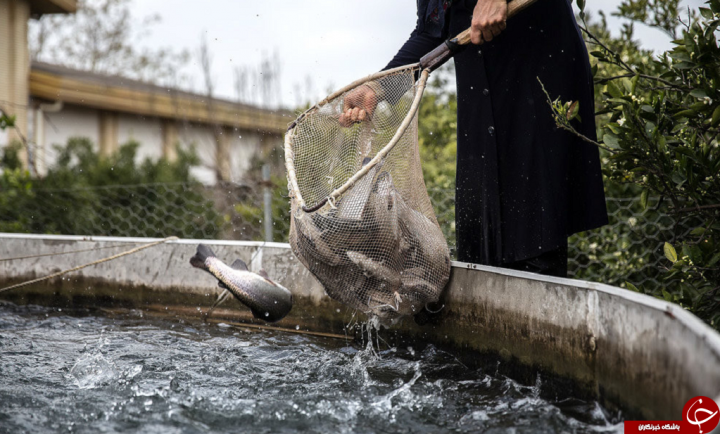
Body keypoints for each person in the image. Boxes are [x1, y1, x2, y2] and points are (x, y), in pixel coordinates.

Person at [341, 0, 608, 278]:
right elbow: (432, 31)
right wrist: (378, 85)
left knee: (534, 227)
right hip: (479, 87)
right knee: (481, 237)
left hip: (536, 70)